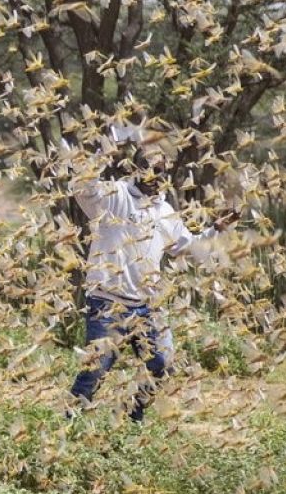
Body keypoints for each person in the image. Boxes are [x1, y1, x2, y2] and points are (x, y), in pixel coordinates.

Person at [65, 130, 238, 422]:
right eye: (152, 170)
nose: (158, 177)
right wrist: (105, 148)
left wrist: (217, 228)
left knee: (162, 363)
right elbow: (83, 186)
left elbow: (186, 246)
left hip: (146, 306)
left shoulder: (164, 210)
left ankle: (133, 417)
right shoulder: (114, 196)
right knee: (96, 370)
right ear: (137, 169)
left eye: (162, 172)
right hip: (107, 304)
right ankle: (66, 429)